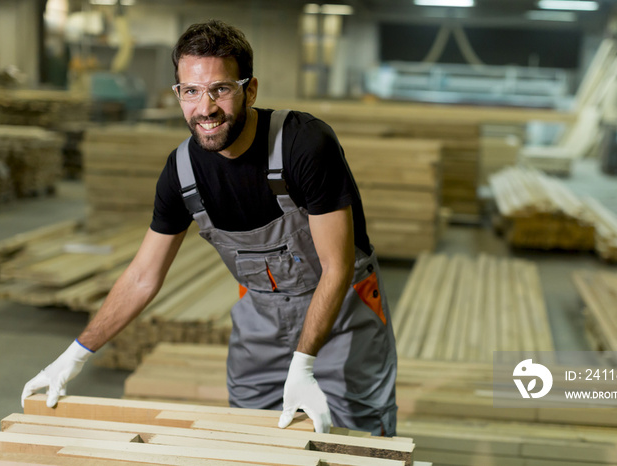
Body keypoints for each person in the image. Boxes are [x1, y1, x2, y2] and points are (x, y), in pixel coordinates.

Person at [21, 19, 397, 436]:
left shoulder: (303, 145)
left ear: (249, 90)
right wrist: (73, 356)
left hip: (342, 311)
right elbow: (143, 277)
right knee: (252, 435)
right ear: (178, 94)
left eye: (220, 89)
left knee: (357, 435)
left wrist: (304, 364)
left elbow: (336, 265)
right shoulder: (181, 173)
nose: (205, 108)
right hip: (261, 320)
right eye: (191, 91)